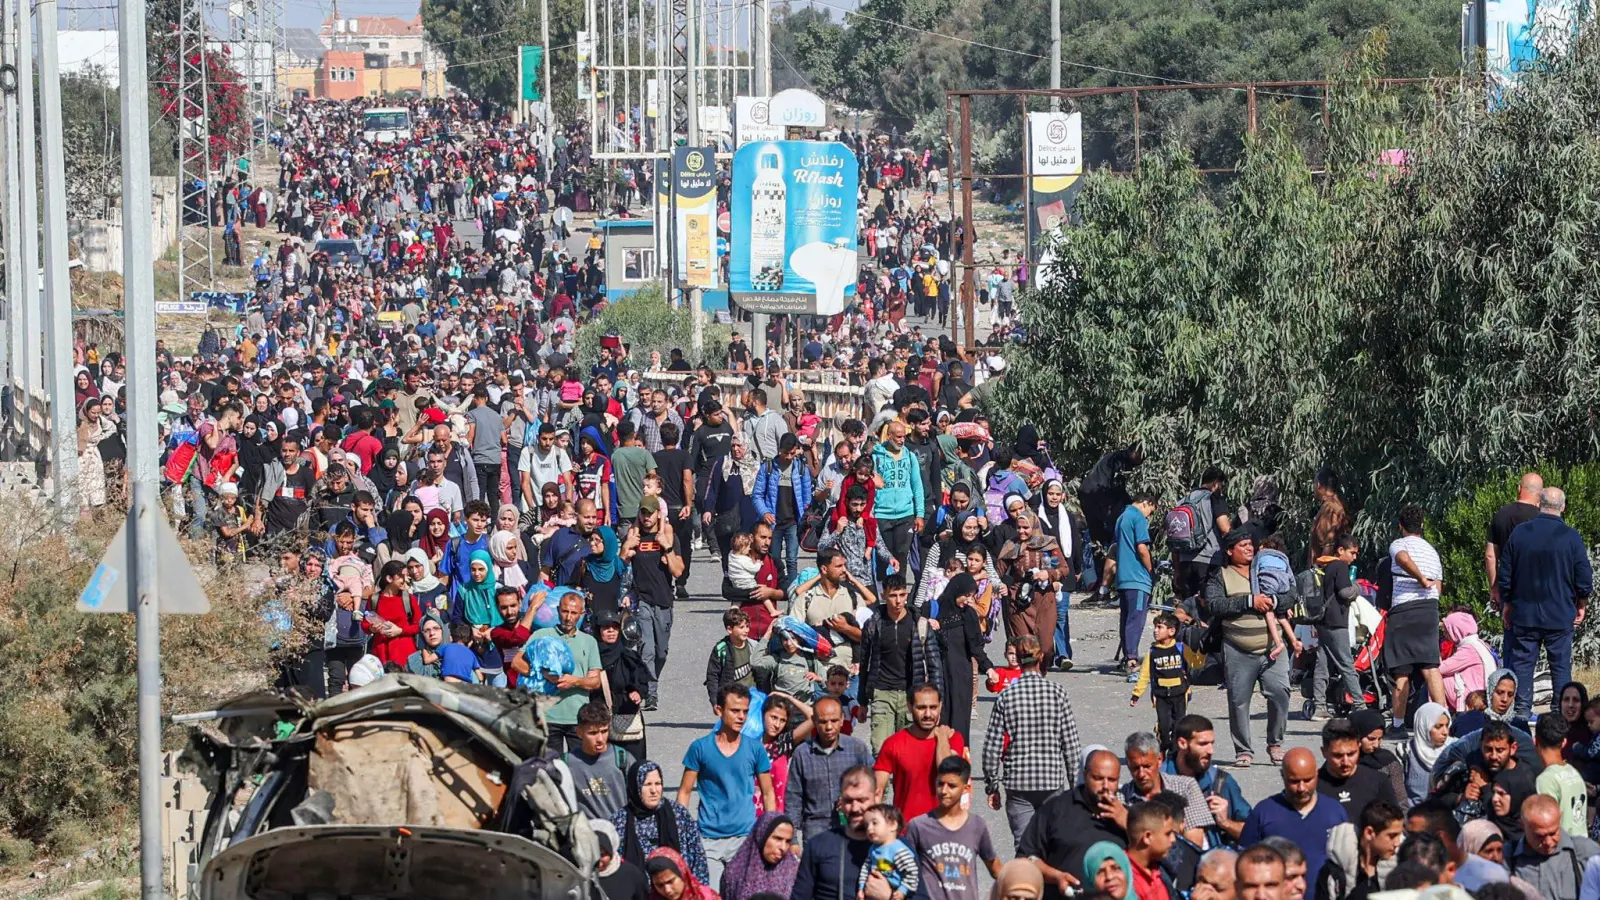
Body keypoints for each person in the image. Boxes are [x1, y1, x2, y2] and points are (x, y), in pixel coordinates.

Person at [1497, 486, 1592, 719]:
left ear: (1539, 505)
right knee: (1560, 666)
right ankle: (1561, 716)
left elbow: (1505, 573)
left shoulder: (1519, 534)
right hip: (1560, 613)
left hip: (1524, 612)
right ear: (1563, 508)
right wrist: (1582, 602)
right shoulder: (1571, 537)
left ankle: (1521, 713)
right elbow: (1584, 576)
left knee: (1523, 665)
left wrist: (1507, 602)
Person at [1204, 530, 1293, 767]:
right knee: (1238, 700)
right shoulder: (1220, 575)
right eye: (1242, 545)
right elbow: (1214, 604)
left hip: (1272, 648)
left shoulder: (1267, 567)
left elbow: (1291, 595)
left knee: (1280, 693)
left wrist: (1274, 602)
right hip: (1237, 649)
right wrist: (1248, 601)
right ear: (1230, 551)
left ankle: (1275, 743)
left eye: (1250, 544)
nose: (1249, 548)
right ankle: (1243, 751)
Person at [679, 683, 776, 886]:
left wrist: (770, 830)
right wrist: (683, 831)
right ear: (719, 710)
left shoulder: (755, 749)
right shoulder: (700, 748)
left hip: (745, 838)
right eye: (735, 711)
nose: (741, 717)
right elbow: (685, 791)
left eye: (745, 712)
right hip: (708, 839)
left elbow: (768, 793)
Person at [1015, 748, 1129, 900]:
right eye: (1098, 778)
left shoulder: (1128, 816)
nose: (1105, 786)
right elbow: (1025, 859)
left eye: (1112, 780)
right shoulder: (1056, 809)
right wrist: (1056, 877)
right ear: (1085, 775)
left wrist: (1130, 824)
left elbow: (1156, 859)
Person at [858, 575, 942, 751]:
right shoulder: (873, 624)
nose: (898, 601)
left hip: (910, 694)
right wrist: (863, 702)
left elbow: (935, 666)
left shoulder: (919, 625)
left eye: (902, 595)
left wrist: (937, 702)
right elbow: (864, 663)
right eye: (893, 595)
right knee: (880, 749)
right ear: (883, 596)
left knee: (908, 750)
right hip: (882, 693)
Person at [1240, 748, 1347, 883]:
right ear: (1282, 775)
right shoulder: (1263, 813)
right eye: (1294, 781)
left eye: (1307, 780)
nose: (1301, 788)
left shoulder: (1334, 812)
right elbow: (1245, 863)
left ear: (1317, 774)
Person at [1385, 505, 1447, 732]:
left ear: (1401, 526)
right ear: (1421, 526)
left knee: (1401, 670)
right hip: (1429, 609)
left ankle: (1399, 724)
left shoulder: (1398, 544)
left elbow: (1401, 558)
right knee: (1431, 666)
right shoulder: (1432, 551)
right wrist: (1427, 583)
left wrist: (1419, 577)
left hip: (1405, 610)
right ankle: (1443, 719)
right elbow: (1438, 588)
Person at [904, 756, 1001, 900]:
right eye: (940, 784)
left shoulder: (976, 826)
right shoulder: (918, 826)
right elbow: (904, 868)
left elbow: (995, 868)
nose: (944, 791)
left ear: (965, 789)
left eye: (952, 786)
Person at [516, 591, 603, 751]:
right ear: (557, 610)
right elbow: (517, 662)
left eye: (573, 613)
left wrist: (575, 681)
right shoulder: (541, 635)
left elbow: (595, 681)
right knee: (551, 770)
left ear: (581, 614)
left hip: (578, 716)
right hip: (548, 716)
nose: (568, 617)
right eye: (565, 611)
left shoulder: (589, 641)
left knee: (578, 768)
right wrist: (544, 674)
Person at [625, 494, 686, 710]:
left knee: (661, 652)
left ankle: (652, 680)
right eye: (643, 512)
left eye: (650, 513)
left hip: (664, 602)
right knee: (647, 650)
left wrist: (666, 548)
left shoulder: (666, 538)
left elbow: (678, 571)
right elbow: (620, 563)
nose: (646, 517)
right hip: (642, 602)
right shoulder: (635, 536)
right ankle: (651, 695)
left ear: (658, 514)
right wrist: (627, 548)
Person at [786, 696, 875, 842]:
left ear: (842, 719)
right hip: (815, 831)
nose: (829, 727)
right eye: (822, 721)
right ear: (814, 721)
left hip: (854, 828)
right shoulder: (802, 754)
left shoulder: (857, 748)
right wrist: (792, 839)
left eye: (834, 721)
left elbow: (876, 783)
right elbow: (793, 798)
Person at [873, 684, 964, 823]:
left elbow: (947, 772)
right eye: (921, 708)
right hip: (906, 831)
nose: (928, 714)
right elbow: (877, 791)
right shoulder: (893, 743)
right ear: (909, 707)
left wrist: (942, 738)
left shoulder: (953, 739)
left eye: (933, 707)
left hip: (943, 832)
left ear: (940, 706)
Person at [613, 761, 710, 885]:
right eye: (647, 784)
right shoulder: (620, 821)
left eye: (657, 783)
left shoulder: (678, 814)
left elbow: (697, 857)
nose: (654, 790)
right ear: (635, 786)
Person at [1163, 715, 1252, 849]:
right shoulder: (1159, 781)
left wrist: (1225, 822)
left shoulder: (1221, 782)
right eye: (1203, 744)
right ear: (1182, 743)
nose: (1211, 751)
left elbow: (1254, 835)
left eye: (1212, 743)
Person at [927, 573, 996, 742]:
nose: (968, 600)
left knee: (959, 723)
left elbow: (976, 646)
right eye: (966, 595)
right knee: (938, 720)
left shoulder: (969, 615)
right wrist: (927, 622)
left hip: (960, 676)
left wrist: (988, 668)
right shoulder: (934, 608)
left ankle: (960, 762)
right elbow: (913, 617)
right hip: (938, 674)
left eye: (971, 596)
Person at [997, 513, 1068, 672]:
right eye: (1019, 527)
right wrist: (1001, 586)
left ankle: (1039, 677)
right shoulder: (1011, 545)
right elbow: (998, 572)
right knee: (1024, 646)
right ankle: (1026, 684)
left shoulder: (1049, 545)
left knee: (1046, 647)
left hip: (1044, 601)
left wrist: (1048, 574)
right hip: (1019, 602)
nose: (1021, 531)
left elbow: (1064, 569)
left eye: (1026, 527)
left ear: (1034, 527)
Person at [1119, 731, 1214, 848]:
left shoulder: (1186, 787)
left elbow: (1193, 846)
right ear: (1128, 764)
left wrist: (1129, 824)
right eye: (1135, 768)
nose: (1141, 774)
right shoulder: (1121, 799)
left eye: (1147, 766)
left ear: (1159, 760)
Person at [1308, 534, 1367, 721]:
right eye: (1352, 552)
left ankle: (1319, 706)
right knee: (1346, 664)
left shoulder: (1324, 565)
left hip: (1323, 621)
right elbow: (1345, 592)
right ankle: (1360, 705)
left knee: (1322, 664)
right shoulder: (1340, 566)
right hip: (1336, 622)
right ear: (1340, 550)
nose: (1354, 557)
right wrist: (1358, 587)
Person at [1506, 794, 1600, 900]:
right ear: (1522, 825)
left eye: (1553, 833)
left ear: (1560, 819)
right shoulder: (1507, 857)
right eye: (1539, 836)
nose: (1548, 842)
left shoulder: (1584, 851)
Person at [754, 433, 813, 587]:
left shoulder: (800, 468)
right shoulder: (768, 468)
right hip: (773, 522)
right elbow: (757, 495)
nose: (788, 456)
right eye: (785, 452)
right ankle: (774, 587)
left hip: (793, 521)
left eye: (792, 453)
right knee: (773, 557)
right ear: (779, 449)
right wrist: (765, 512)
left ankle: (793, 591)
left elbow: (807, 497)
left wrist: (804, 514)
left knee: (792, 559)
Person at [1129, 612, 1192, 755]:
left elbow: (1196, 661)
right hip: (1161, 695)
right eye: (1155, 627)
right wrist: (1136, 694)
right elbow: (1144, 674)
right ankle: (1164, 744)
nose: (1155, 631)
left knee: (1178, 725)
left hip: (1180, 693)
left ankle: (1174, 753)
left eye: (1159, 627)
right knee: (1164, 726)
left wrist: (1202, 647)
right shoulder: (1153, 652)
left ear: (1171, 631)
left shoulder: (1181, 648)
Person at [596, 608, 652, 761]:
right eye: (606, 628)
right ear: (598, 631)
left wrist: (638, 693)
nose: (611, 631)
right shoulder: (593, 657)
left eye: (614, 627)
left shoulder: (629, 656)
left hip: (628, 720)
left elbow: (642, 682)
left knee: (634, 768)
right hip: (602, 722)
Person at [1315, 801, 1402, 900]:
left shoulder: (1399, 869)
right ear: (1369, 833)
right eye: (1392, 836)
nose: (1397, 843)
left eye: (1399, 835)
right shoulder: (1334, 872)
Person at [1317, 719, 1400, 822]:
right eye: (1338, 755)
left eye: (1351, 754)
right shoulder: (1310, 786)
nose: (1345, 762)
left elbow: (1393, 823)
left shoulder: (1378, 782)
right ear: (1324, 752)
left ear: (1359, 746)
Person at [565, 700, 635, 819]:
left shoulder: (623, 759)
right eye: (593, 733)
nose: (600, 739)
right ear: (579, 733)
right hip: (585, 833)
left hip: (618, 832)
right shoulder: (567, 763)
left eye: (604, 731)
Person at [1486, 472, 1543, 615]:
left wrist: (1494, 588)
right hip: (1538, 588)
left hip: (1509, 587)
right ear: (1541, 493)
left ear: (1519, 488)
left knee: (1511, 630)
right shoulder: (1542, 518)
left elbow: (1490, 555)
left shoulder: (1501, 514)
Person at [1113, 494, 1157, 676]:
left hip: (1123, 577)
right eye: (1150, 512)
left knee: (1126, 619)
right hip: (1137, 577)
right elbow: (1142, 548)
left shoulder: (1121, 517)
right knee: (1136, 619)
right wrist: (1150, 569)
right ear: (1146, 503)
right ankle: (1132, 659)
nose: (1148, 516)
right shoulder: (1137, 517)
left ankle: (1126, 656)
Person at [716, 812, 799, 900]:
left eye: (787, 841)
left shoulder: (794, 872)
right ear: (761, 834)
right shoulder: (734, 872)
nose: (783, 847)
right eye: (778, 839)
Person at [1532, 715, 1588, 839]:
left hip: (1564, 851)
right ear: (1564, 742)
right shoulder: (1573, 772)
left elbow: (1548, 824)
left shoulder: (1546, 779)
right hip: (1583, 848)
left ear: (1535, 741)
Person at [857, 804, 920, 900]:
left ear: (893, 825)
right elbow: (865, 868)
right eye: (866, 825)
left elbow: (912, 872)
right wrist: (861, 888)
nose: (869, 828)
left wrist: (903, 890)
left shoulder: (899, 851)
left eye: (874, 823)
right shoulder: (873, 848)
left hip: (894, 892)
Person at [1124, 801, 1179, 900]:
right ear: (1147, 837)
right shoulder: (1123, 880)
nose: (1173, 839)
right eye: (1168, 833)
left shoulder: (1159, 869)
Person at [1406, 703, 1452, 806]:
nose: (1445, 732)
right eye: (1438, 726)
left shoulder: (1454, 749)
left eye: (1447, 725)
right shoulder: (1407, 751)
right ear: (1424, 726)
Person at [595, 822, 652, 900]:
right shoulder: (579, 877)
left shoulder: (631, 874)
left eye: (602, 855)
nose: (598, 861)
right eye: (593, 854)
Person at [646, 848, 720, 900]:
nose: (667, 890)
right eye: (660, 885)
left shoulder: (707, 897)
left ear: (682, 874)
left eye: (670, 881)